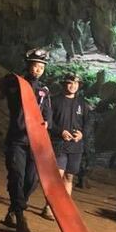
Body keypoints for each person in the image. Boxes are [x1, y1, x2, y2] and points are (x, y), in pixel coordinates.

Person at [0, 48, 52, 232]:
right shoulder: (15, 82)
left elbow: (48, 115)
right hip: (17, 139)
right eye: (35, 65)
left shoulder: (44, 91)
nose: (38, 69)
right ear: (28, 66)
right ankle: (20, 217)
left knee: (32, 180)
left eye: (42, 66)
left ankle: (13, 209)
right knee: (16, 175)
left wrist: (46, 123)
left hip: (35, 142)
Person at [42, 72, 90, 219]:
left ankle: (64, 206)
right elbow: (49, 123)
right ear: (64, 84)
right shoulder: (54, 101)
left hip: (76, 146)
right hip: (59, 144)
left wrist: (82, 134)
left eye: (76, 83)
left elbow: (88, 123)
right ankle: (49, 206)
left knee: (69, 177)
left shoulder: (82, 104)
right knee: (57, 175)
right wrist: (60, 132)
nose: (73, 86)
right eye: (70, 83)